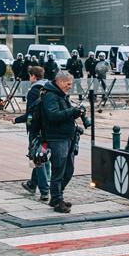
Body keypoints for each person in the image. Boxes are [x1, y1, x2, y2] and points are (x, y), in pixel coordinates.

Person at [39, 71, 85, 213]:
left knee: (69, 170)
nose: (70, 87)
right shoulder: (50, 96)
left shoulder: (61, 95)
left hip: (67, 136)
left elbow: (64, 113)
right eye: (68, 84)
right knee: (58, 170)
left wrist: (74, 113)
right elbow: (53, 115)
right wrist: (72, 112)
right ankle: (57, 200)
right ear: (59, 82)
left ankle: (57, 196)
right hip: (56, 138)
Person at [14, 65, 50, 201]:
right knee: (42, 156)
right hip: (49, 129)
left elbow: (30, 114)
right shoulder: (49, 87)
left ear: (33, 76)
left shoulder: (33, 91)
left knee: (38, 158)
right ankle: (32, 184)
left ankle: (45, 191)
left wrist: (18, 120)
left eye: (30, 76)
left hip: (37, 131)